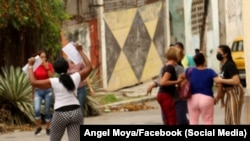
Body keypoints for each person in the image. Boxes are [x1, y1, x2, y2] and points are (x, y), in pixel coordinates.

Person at [27, 43, 92, 141]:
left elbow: (33, 82)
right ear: (67, 67)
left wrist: (30, 66)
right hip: (76, 112)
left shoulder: (54, 81)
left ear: (56, 70)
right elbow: (89, 67)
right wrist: (80, 51)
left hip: (60, 113)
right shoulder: (75, 77)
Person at [147, 44, 189, 125]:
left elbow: (182, 81)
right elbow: (161, 80)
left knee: (181, 120)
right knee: (167, 120)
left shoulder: (179, 68)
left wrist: (181, 84)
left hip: (178, 99)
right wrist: (154, 84)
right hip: (167, 97)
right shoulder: (165, 67)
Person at [181, 53, 219, 124]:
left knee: (193, 121)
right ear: (204, 60)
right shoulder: (210, 71)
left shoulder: (189, 70)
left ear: (195, 61)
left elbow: (180, 77)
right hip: (207, 98)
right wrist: (218, 96)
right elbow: (219, 83)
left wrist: (183, 83)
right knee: (208, 121)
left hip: (192, 98)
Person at [214, 44, 244, 125]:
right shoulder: (224, 65)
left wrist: (221, 80)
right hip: (229, 93)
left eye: (219, 52)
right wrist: (218, 97)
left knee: (234, 120)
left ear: (225, 54)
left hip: (235, 92)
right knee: (228, 120)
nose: (217, 54)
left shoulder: (229, 64)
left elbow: (236, 81)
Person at [156, 47, 182, 125]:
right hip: (165, 95)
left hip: (162, 95)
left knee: (167, 119)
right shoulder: (170, 67)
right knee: (172, 119)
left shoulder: (166, 66)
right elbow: (163, 82)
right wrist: (177, 81)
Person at [32, 50, 54, 136]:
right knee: (37, 109)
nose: (43, 58)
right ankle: (39, 127)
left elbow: (51, 77)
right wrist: (32, 93)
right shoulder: (35, 67)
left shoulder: (49, 65)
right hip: (38, 91)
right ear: (38, 58)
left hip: (48, 90)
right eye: (41, 57)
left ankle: (48, 128)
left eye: (45, 57)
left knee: (47, 110)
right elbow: (33, 81)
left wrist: (46, 67)